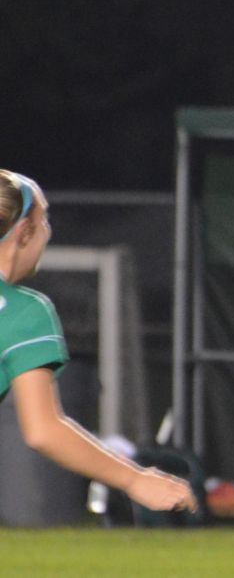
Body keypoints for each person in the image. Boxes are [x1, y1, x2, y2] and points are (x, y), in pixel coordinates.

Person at [0, 170, 196, 514]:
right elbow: (43, 429)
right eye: (44, 220)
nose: (48, 233)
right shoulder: (24, 312)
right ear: (23, 233)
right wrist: (135, 480)